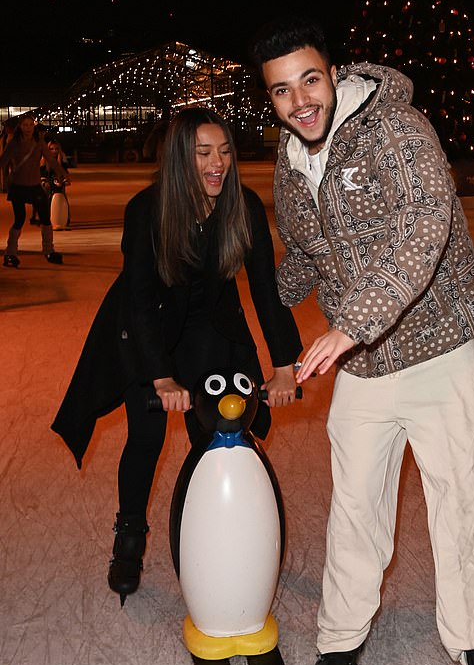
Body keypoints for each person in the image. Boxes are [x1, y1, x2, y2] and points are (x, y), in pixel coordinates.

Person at [250, 16, 474, 665]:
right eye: (282, 91)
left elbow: (424, 224)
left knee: (461, 501)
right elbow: (307, 257)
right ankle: (340, 641)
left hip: (440, 348)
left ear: (333, 74)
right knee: (355, 504)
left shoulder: (397, 127)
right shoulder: (286, 161)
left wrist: (350, 323)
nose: (300, 101)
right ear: (271, 99)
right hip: (367, 365)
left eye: (310, 80)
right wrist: (250, 280)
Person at [51, 107, 302, 606]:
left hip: (209, 327)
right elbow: (141, 299)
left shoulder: (243, 206)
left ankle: (212, 538)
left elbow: (266, 290)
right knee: (146, 434)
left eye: (225, 152)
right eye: (203, 153)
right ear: (178, 159)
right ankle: (129, 535)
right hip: (147, 328)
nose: (218, 164)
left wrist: (283, 364)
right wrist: (162, 378)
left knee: (215, 436)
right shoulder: (147, 208)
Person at [0, 113, 68, 267]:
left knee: (45, 217)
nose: (28, 128)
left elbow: (50, 159)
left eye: (31, 125)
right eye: (25, 125)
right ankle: (10, 253)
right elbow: (3, 160)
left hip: (35, 185)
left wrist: (62, 173)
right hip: (18, 185)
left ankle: (49, 250)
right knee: (19, 219)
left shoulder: (39, 142)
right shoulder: (14, 142)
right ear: (20, 127)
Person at [41, 136, 72, 230]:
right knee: (46, 193)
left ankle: (65, 218)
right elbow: (41, 173)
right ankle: (45, 218)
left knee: (63, 195)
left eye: (56, 149)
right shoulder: (43, 160)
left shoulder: (62, 160)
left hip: (58, 181)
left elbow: (65, 172)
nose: (54, 151)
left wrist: (65, 180)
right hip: (47, 182)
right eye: (52, 149)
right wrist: (45, 181)